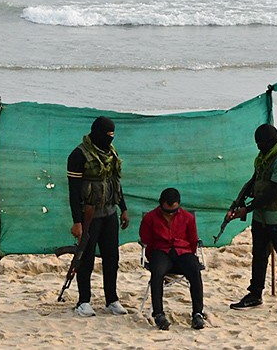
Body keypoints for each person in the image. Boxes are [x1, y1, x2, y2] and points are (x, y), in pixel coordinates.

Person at [228, 124, 277, 314]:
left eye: (260, 143)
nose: (258, 146)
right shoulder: (263, 157)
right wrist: (240, 200)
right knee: (259, 256)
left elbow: (273, 192)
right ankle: (255, 294)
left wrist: (247, 209)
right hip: (261, 216)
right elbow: (255, 179)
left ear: (269, 142)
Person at [66, 116, 129, 317]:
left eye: (112, 135)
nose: (110, 139)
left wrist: (123, 208)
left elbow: (115, 183)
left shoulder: (111, 152)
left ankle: (112, 300)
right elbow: (74, 191)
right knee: (86, 260)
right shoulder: (79, 155)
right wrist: (77, 222)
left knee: (112, 258)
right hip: (89, 216)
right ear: (96, 133)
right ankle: (83, 301)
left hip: (110, 213)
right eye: (107, 135)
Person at [139, 188, 206, 331]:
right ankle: (158, 314)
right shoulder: (150, 218)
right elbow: (146, 241)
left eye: (174, 210)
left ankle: (198, 314)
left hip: (183, 251)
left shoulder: (188, 218)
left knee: (194, 269)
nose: (171, 213)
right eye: (167, 210)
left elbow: (193, 241)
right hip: (161, 252)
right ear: (160, 204)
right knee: (156, 271)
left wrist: (189, 254)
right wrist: (153, 257)